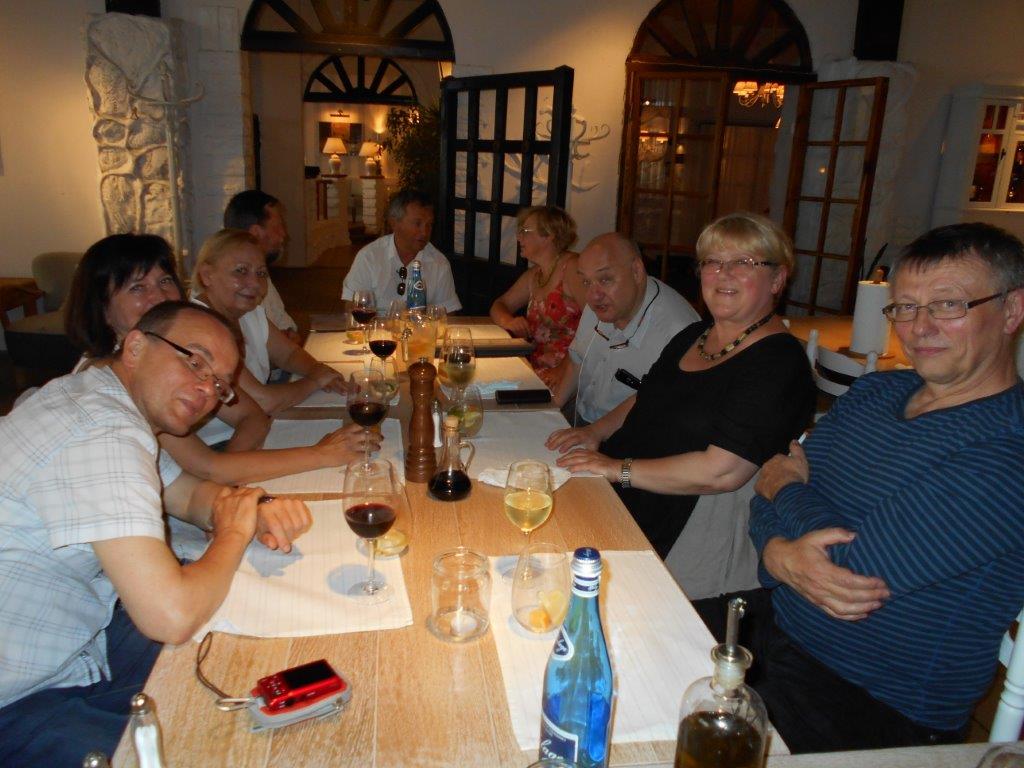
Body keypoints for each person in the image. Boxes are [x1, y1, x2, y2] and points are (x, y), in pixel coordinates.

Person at [701, 221, 1024, 754]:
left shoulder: (1009, 451)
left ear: (1011, 310)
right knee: (624, 640)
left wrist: (787, 495)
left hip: (873, 700)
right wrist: (779, 552)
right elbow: (767, 485)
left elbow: (850, 573)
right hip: (776, 623)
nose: (920, 327)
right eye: (906, 307)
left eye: (948, 305)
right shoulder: (877, 391)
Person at [0, 301, 313, 766]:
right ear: (135, 346)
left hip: (82, 645)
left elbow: (186, 494)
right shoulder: (102, 430)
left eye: (220, 384)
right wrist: (232, 532)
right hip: (21, 698)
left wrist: (251, 507)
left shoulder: (96, 398)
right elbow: (171, 615)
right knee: (213, 745)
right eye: (195, 361)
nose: (206, 389)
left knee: (251, 657)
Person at [548, 213, 815, 558]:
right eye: (713, 262)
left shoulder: (778, 362)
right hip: (619, 494)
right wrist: (594, 432)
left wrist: (617, 469)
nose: (724, 273)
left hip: (678, 530)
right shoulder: (695, 335)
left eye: (743, 262)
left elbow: (722, 472)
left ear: (777, 279)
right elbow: (649, 395)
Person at [65, 233, 375, 486]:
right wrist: (321, 453)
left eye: (164, 281)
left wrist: (232, 469)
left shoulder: (165, 350)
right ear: (101, 307)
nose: (158, 297)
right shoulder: (114, 377)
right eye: (137, 287)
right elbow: (208, 468)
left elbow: (252, 416)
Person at [550, 232, 699, 426]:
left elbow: (674, 415)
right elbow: (577, 361)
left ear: (636, 271)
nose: (593, 296)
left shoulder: (678, 332)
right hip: (582, 419)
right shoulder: (602, 305)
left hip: (634, 436)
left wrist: (593, 434)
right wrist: (551, 410)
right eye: (586, 282)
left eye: (605, 279)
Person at [193, 229, 348, 415]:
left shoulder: (249, 313)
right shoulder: (199, 327)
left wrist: (317, 369)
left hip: (253, 422)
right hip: (232, 431)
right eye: (241, 270)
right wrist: (315, 381)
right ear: (207, 275)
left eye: (261, 273)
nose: (255, 283)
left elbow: (288, 354)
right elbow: (262, 401)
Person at [489, 206, 585, 387]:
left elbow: (596, 325)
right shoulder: (534, 275)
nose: (519, 237)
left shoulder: (573, 268)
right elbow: (499, 304)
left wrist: (564, 369)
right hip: (537, 366)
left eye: (525, 231)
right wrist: (508, 321)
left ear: (548, 235)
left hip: (570, 373)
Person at [341, 189, 461, 312]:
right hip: (377, 324)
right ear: (394, 223)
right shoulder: (369, 256)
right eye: (417, 224)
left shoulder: (439, 263)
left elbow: (448, 312)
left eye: (429, 225)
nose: (425, 232)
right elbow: (352, 305)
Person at [223, 189, 299, 341]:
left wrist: (286, 338)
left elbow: (289, 330)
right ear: (255, 233)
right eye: (278, 226)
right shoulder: (230, 287)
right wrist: (284, 341)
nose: (284, 234)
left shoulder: (259, 274)